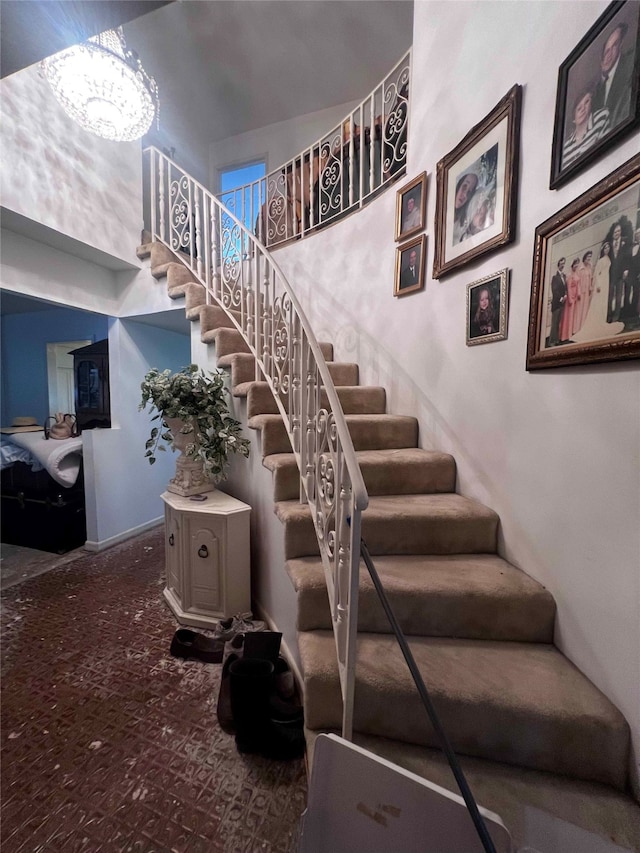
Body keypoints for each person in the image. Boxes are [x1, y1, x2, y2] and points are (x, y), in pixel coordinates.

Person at [572, 241, 625, 342]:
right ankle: (596, 321)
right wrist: (599, 285)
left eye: (608, 248)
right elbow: (597, 274)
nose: (607, 250)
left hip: (606, 281)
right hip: (601, 284)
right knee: (598, 303)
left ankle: (602, 319)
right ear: (602, 249)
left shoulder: (608, 258)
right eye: (605, 248)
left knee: (603, 303)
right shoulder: (601, 260)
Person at [591, 22, 635, 129]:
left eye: (614, 45)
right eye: (606, 51)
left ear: (621, 45)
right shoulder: (596, 91)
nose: (609, 54)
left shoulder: (630, 63)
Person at [562, 85, 609, 169]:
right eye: (579, 108)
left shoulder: (601, 117)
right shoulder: (566, 147)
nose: (583, 109)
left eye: (586, 102)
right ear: (574, 118)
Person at [607, 221, 631, 321]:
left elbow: (627, 257)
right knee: (609, 296)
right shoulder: (609, 244)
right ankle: (608, 315)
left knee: (618, 296)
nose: (617, 233)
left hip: (621, 274)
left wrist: (626, 270)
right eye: (615, 232)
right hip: (612, 274)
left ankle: (616, 316)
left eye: (619, 231)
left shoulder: (625, 242)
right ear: (613, 233)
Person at [452, 172, 478, 244]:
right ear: (459, 184)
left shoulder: (463, 222)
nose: (465, 195)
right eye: (465, 186)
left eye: (469, 191)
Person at [559, 258, 581, 343]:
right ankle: (565, 335)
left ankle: (570, 333)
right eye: (575, 264)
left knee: (572, 316)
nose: (576, 266)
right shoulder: (569, 274)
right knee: (568, 316)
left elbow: (578, 284)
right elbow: (568, 287)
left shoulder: (576, 274)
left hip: (575, 297)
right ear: (572, 265)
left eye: (577, 264)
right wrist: (571, 298)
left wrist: (578, 294)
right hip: (570, 297)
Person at [573, 250, 594, 334]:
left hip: (587, 292)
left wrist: (590, 288)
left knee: (585, 309)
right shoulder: (579, 267)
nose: (589, 258)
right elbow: (576, 281)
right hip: (580, 292)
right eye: (588, 256)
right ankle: (576, 329)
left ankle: (583, 328)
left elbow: (591, 278)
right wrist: (578, 292)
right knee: (578, 310)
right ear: (585, 257)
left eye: (590, 257)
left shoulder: (589, 267)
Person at [549, 257, 567, 347]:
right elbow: (554, 290)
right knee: (554, 322)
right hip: (556, 304)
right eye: (561, 263)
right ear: (558, 264)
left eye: (564, 263)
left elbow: (565, 288)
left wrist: (565, 296)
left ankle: (556, 340)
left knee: (559, 322)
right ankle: (552, 341)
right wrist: (560, 298)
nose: (562, 265)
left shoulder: (564, 276)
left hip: (562, 303)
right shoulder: (555, 277)